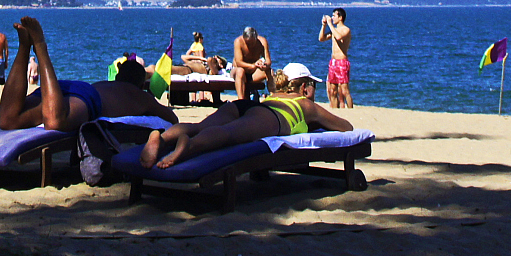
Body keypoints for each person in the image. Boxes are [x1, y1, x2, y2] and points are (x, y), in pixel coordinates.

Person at [140, 62, 352, 169]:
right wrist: (314, 119)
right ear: (305, 87)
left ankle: (162, 136)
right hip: (270, 117)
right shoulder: (306, 104)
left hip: (247, 105)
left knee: (201, 125)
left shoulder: (274, 93)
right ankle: (190, 147)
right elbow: (345, 127)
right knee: (227, 134)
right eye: (313, 85)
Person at [0, 16, 175, 132]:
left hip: (65, 89)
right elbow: (172, 119)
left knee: (8, 120)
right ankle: (40, 46)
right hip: (86, 97)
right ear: (141, 84)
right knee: (56, 122)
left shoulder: (107, 84)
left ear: (117, 76)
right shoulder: (138, 95)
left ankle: (24, 47)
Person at [318, 8, 353, 108]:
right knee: (332, 90)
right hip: (333, 62)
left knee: (344, 90)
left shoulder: (345, 30)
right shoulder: (334, 30)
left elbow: (339, 37)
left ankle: (351, 110)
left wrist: (330, 24)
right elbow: (321, 38)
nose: (332, 18)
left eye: (334, 16)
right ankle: (335, 110)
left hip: (342, 61)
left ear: (340, 17)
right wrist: (324, 25)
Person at [232, 25, 272, 101]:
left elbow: (268, 61)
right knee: (240, 71)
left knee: (269, 71)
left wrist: (264, 65)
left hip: (253, 73)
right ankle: (241, 101)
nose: (250, 46)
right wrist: (253, 65)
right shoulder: (238, 42)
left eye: (252, 43)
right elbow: (239, 62)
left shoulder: (262, 42)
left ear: (256, 38)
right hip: (239, 72)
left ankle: (273, 95)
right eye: (247, 43)